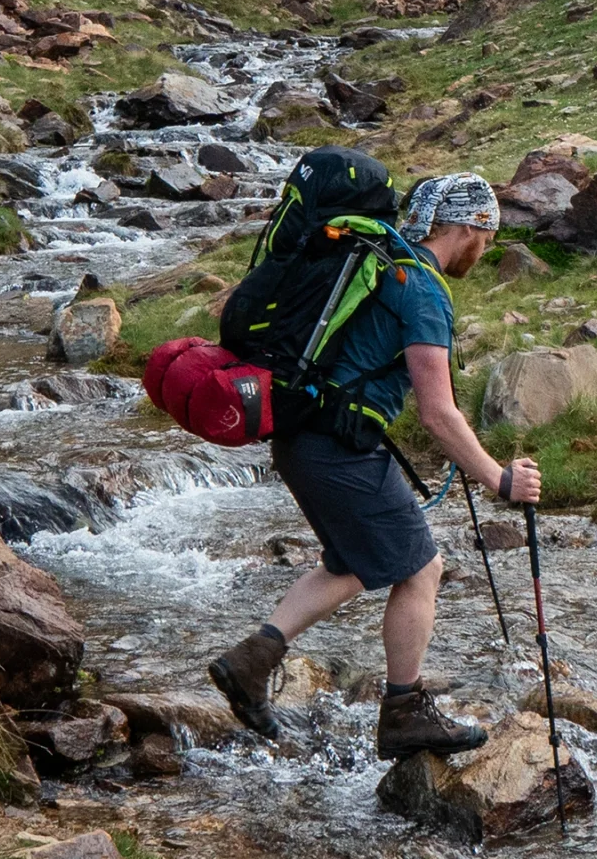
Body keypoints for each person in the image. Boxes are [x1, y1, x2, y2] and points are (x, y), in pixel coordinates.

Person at [207, 170, 542, 758]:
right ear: (467, 227)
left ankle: (251, 662)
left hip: (299, 437)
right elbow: (438, 414)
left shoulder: (381, 262)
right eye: (487, 236)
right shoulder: (422, 288)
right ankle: (404, 713)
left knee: (353, 562)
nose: (485, 250)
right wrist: (500, 479)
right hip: (340, 448)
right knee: (420, 569)